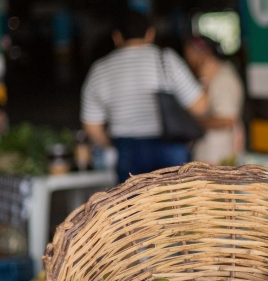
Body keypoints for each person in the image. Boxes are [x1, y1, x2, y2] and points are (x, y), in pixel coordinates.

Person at [80, 10, 207, 183]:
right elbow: (200, 107)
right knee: (175, 204)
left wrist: (114, 144)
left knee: (133, 207)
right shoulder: (167, 60)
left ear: (116, 37)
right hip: (170, 146)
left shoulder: (100, 69)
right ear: (150, 34)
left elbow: (91, 126)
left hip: (127, 149)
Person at [183, 36, 245, 166]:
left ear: (204, 53)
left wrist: (191, 122)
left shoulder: (221, 77)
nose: (187, 60)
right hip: (212, 154)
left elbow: (227, 119)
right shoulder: (209, 76)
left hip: (217, 156)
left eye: (189, 54)